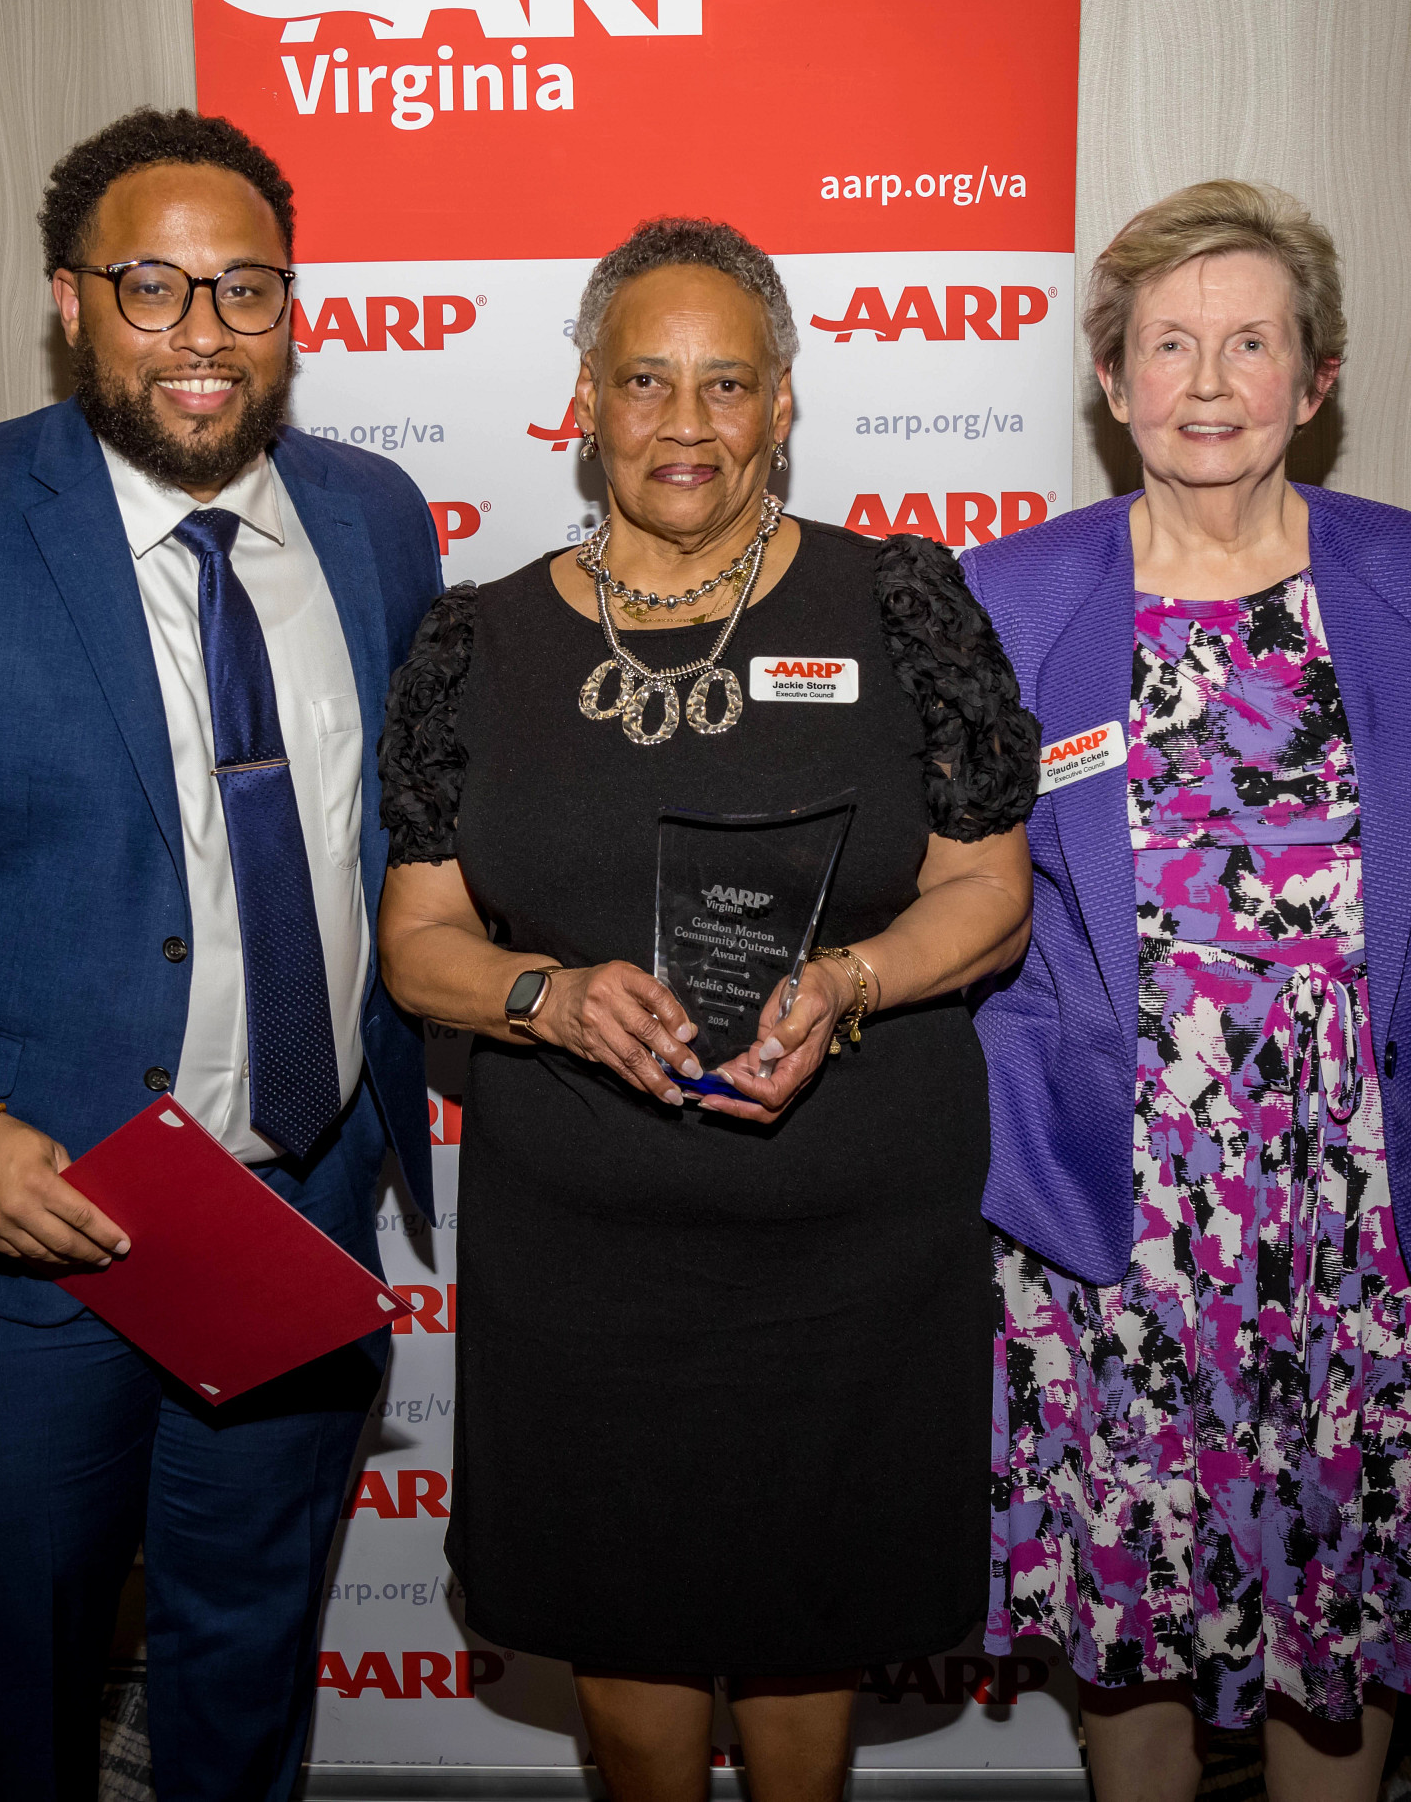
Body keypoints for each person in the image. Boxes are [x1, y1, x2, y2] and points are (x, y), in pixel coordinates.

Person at [0, 108, 441, 1801]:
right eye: (153, 286)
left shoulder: (373, 519)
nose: (204, 332)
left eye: (245, 287)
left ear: (291, 304)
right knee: (23, 1671)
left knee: (251, 1649)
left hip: (293, 1198)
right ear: (71, 302)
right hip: (27, 1223)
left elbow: (406, 827)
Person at [375, 217, 1039, 1802]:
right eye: (647, 381)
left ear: (784, 402)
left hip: (852, 1249)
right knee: (626, 1652)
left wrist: (853, 977)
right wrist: (545, 995)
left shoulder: (899, 607)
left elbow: (989, 892)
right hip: (587, 1262)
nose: (687, 423)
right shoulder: (478, 643)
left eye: (728, 383)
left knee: (816, 1640)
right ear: (585, 400)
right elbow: (419, 944)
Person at [965, 180, 1411, 1802]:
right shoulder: (1013, 597)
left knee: (1345, 1601)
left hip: (1374, 1190)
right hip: (1117, 1194)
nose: (1208, 383)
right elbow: (978, 888)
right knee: (1130, 1602)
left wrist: (1334, 1034)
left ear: (1316, 376)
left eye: (1252, 343)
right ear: (1112, 379)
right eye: (1168, 345)